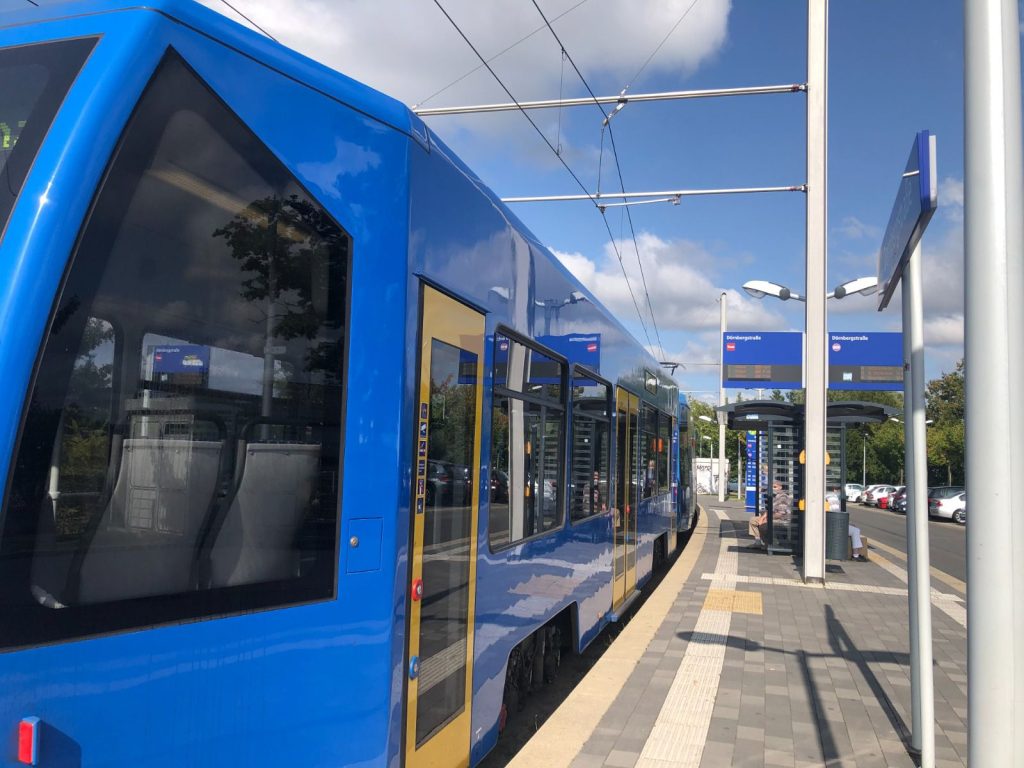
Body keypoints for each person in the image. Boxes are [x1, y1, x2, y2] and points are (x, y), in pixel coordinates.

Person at [749, 481, 791, 547]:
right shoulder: (774, 496)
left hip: (780, 520)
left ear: (780, 487)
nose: (773, 489)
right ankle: (758, 542)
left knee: (764, 526)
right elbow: (770, 509)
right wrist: (762, 518)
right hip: (771, 517)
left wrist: (766, 519)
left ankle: (768, 544)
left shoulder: (783, 497)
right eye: (771, 487)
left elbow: (780, 514)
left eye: (775, 487)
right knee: (753, 520)